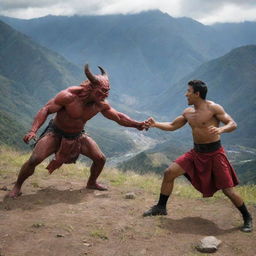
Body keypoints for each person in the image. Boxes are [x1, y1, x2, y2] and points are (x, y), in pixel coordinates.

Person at [8, 64, 146, 198]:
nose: (105, 95)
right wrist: (33, 130)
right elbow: (46, 109)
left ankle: (91, 183)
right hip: (55, 133)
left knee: (100, 159)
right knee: (35, 159)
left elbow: (119, 117)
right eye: (102, 91)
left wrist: (137, 124)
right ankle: (17, 186)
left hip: (77, 135)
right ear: (91, 88)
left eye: (107, 91)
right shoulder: (69, 96)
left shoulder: (100, 104)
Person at [143, 80, 253, 233]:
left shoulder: (214, 108)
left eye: (188, 91)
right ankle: (161, 207)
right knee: (169, 173)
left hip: (215, 154)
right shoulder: (188, 112)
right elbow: (172, 126)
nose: (185, 94)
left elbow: (232, 123)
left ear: (197, 94)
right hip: (196, 153)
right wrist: (155, 124)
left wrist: (221, 130)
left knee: (228, 190)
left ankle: (247, 217)